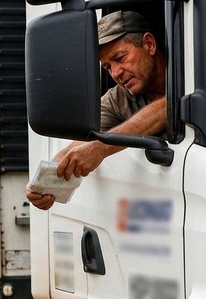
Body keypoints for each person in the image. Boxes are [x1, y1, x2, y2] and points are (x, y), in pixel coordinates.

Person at [26, 10, 167, 210]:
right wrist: (42, 183)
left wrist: (100, 149)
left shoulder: (191, 72)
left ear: (149, 44)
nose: (116, 73)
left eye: (120, 58)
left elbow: (167, 108)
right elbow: (79, 145)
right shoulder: (118, 98)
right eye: (108, 67)